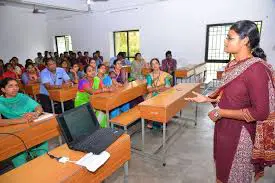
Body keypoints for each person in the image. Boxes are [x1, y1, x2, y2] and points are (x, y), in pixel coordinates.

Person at [185, 20, 275, 183]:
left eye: (230, 38)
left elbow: (261, 111)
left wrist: (221, 112)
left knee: (234, 176)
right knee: (222, 173)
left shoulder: (256, 69)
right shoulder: (233, 64)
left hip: (240, 134)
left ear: (245, 40)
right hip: (223, 128)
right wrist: (207, 98)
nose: (225, 41)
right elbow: (230, 98)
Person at [0, 77, 47, 167]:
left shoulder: (22, 97)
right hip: (14, 135)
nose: (15, 88)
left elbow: (38, 107)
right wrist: (20, 121)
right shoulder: (1, 102)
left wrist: (36, 114)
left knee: (44, 156)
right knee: (21, 164)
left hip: (32, 129)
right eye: (10, 86)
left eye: (16, 85)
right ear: (3, 89)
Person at [145, 58, 172, 129]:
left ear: (159, 64)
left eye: (156, 63)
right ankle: (151, 121)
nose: (154, 65)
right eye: (152, 64)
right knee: (149, 101)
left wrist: (158, 89)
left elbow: (168, 88)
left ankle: (163, 120)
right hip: (153, 95)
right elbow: (149, 90)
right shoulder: (149, 76)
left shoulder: (165, 75)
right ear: (151, 66)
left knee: (165, 100)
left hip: (164, 94)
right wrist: (159, 88)